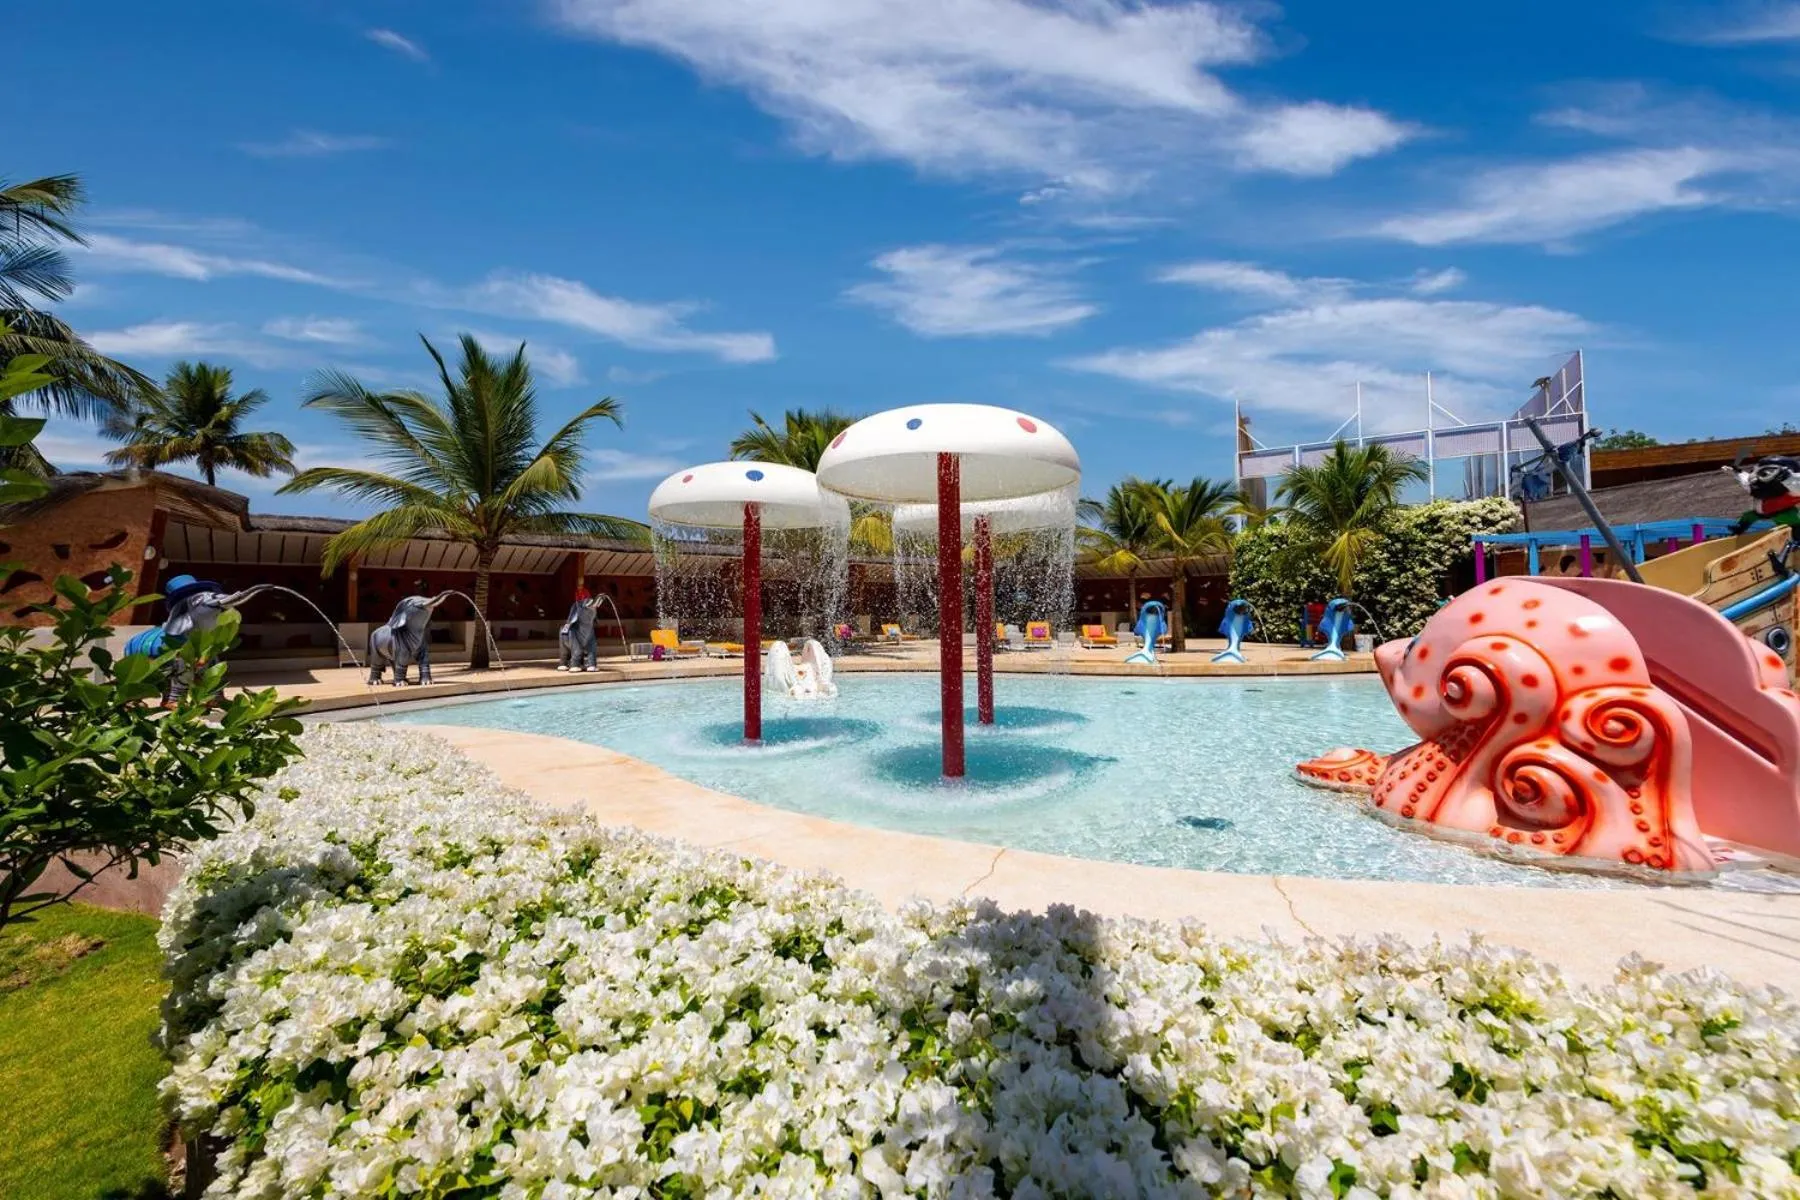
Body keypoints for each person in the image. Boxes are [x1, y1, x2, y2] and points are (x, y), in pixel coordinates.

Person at [559, 587, 600, 672]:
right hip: (574, 631)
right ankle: (571, 663)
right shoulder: (577, 606)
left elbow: (592, 612)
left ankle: (592, 664)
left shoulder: (590, 609)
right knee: (575, 649)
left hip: (589, 629)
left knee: (592, 647)